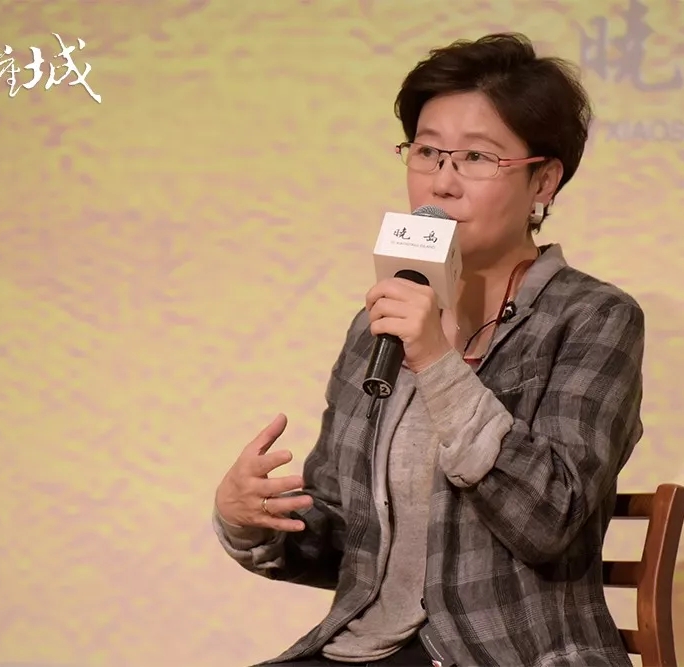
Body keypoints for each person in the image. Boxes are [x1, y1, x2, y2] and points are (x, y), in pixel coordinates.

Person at [213, 32, 644, 667]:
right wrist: (249, 520)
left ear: (544, 181)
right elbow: (348, 547)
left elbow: (549, 520)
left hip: (513, 652)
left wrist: (438, 362)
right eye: (427, 152)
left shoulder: (593, 318)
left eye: (476, 158)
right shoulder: (379, 324)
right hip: (368, 649)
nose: (442, 182)